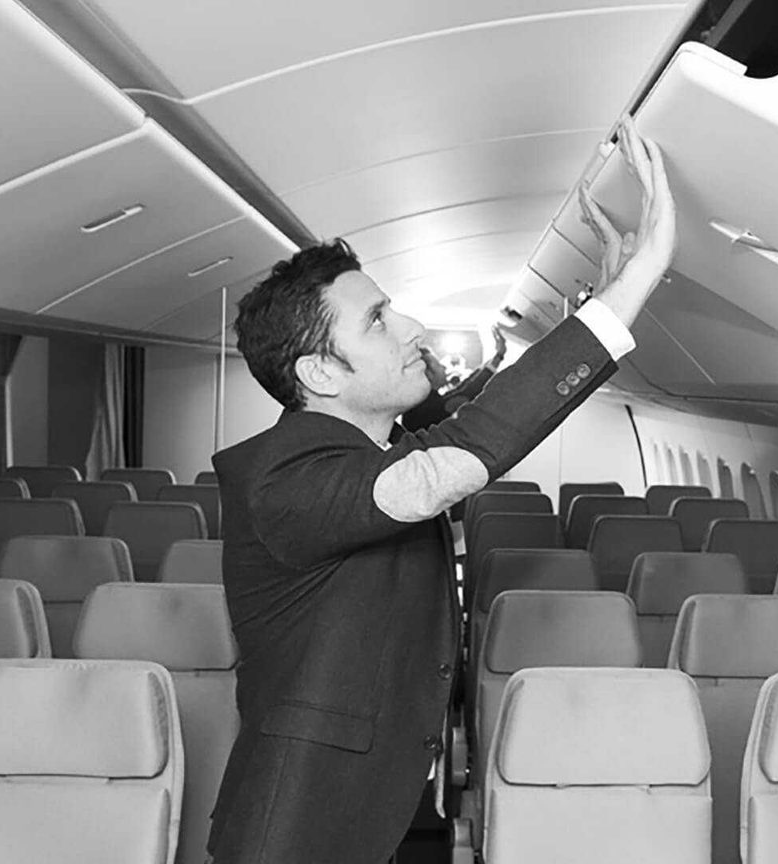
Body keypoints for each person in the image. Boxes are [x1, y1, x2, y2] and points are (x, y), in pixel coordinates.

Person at [207, 117, 675, 864]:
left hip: (378, 811)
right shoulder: (280, 481)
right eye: (379, 321)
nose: (413, 326)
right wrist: (636, 283)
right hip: (297, 834)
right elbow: (445, 466)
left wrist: (594, 305)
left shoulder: (360, 448)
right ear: (320, 374)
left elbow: (458, 429)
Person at [399, 326, 507, 431]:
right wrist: (499, 356)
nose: (444, 367)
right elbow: (466, 392)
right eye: (438, 365)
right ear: (428, 374)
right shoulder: (426, 408)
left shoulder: (419, 402)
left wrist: (493, 359)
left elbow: (461, 388)